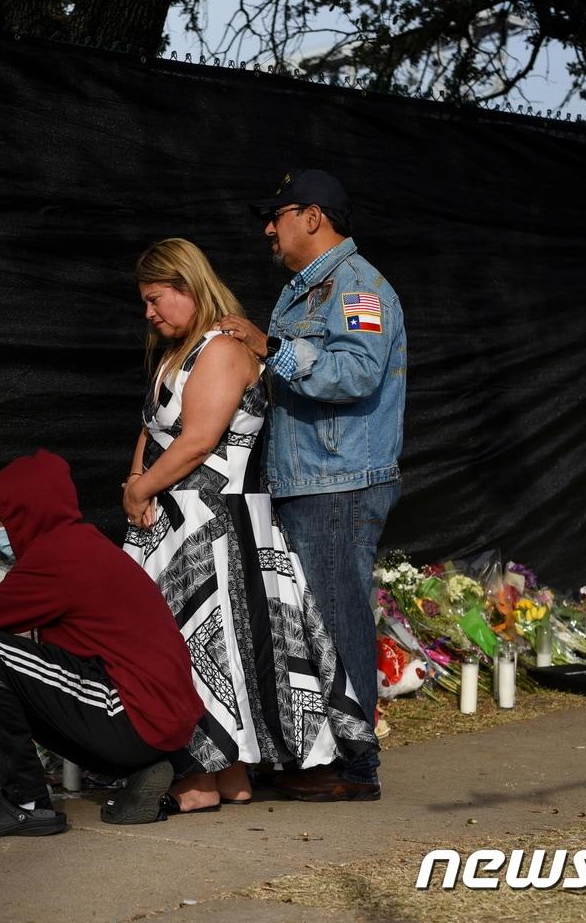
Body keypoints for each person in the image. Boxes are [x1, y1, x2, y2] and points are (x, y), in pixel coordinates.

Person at [123, 237, 376, 812]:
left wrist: (142, 486)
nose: (150, 312)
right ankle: (229, 774)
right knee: (208, 647)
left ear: (188, 287)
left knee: (208, 646)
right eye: (144, 302)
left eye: (157, 298)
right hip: (174, 520)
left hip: (212, 523)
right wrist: (134, 480)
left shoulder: (221, 349)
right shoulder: (176, 350)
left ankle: (203, 778)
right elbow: (154, 425)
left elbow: (197, 440)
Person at [216, 169, 407, 801]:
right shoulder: (305, 291)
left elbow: (355, 373)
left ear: (315, 217)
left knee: (336, 612)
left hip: (339, 482)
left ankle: (354, 765)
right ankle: (318, 757)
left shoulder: (358, 288)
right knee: (313, 620)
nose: (268, 228)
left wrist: (271, 347)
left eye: (278, 214)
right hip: (308, 480)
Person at [0, 449, 205, 837]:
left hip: (135, 714)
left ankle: (25, 802)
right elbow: (58, 672)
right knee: (7, 660)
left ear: (31, 511)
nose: (1, 530)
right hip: (149, 722)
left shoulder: (58, 556)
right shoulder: (82, 546)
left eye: (4, 519)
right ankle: (142, 769)